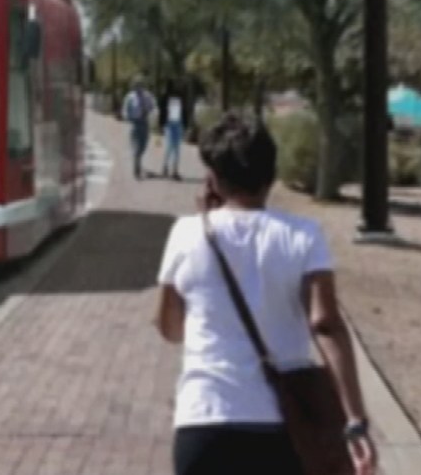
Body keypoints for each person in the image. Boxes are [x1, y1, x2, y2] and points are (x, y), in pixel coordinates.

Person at [155, 112, 377, 475]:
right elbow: (325, 325)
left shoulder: (185, 233)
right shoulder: (305, 235)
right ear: (271, 177)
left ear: (212, 178)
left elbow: (170, 329)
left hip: (203, 422)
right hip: (282, 428)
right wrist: (354, 421)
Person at [121, 77, 156, 179]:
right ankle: (136, 170)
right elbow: (125, 110)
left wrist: (151, 111)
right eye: (136, 85)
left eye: (140, 85)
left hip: (145, 122)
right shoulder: (130, 97)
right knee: (136, 147)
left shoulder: (147, 95)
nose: (138, 87)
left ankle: (138, 162)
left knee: (144, 146)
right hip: (135, 123)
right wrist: (128, 117)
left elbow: (153, 106)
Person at [162, 85, 185, 181]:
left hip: (177, 124)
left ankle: (173, 170)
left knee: (175, 149)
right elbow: (164, 112)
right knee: (171, 148)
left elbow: (183, 112)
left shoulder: (179, 99)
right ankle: (167, 167)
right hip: (171, 124)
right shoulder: (168, 98)